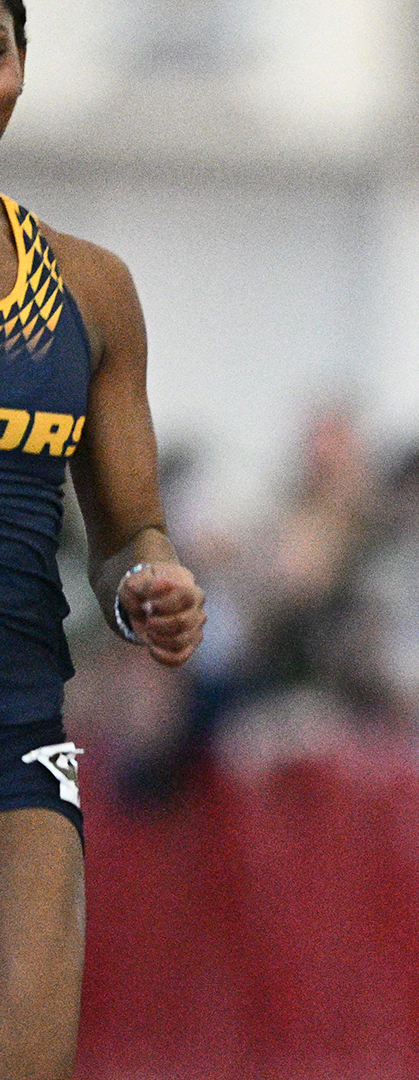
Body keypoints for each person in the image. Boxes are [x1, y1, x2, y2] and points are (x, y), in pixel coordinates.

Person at [0, 3, 208, 1076]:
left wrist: (150, 584)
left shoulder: (88, 292)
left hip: (18, 724)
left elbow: (128, 527)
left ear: (20, 69)